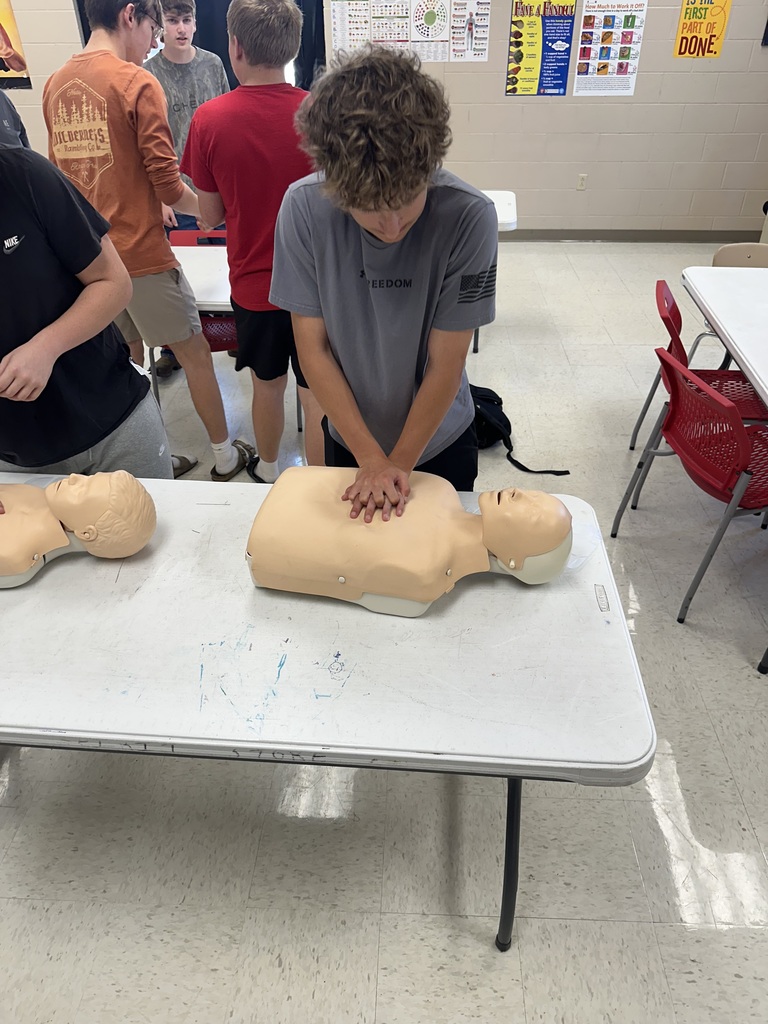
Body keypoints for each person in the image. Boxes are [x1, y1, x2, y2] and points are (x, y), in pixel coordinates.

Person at [270, 46, 498, 522]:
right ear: (334, 185)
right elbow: (314, 352)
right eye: (370, 210)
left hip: (439, 438)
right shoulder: (303, 209)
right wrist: (371, 458)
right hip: (349, 436)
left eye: (408, 201)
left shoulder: (469, 217)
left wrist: (396, 463)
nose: (392, 227)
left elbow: (447, 361)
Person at [42, 0, 253, 482]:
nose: (154, 41)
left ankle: (147, 458)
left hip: (86, 260)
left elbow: (63, 180)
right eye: (153, 29)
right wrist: (217, 209)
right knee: (194, 354)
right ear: (129, 15)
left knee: (127, 359)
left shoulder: (56, 83)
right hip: (139, 253)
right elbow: (169, 185)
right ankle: (224, 457)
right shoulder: (136, 81)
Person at [182, 0, 321, 482]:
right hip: (318, 289)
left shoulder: (209, 120)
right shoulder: (320, 115)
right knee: (317, 391)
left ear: (234, 47)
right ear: (293, 47)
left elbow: (211, 216)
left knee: (267, 385)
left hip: (254, 286)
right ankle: (321, 481)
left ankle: (267, 469)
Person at [0, 147, 174, 481]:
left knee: (153, 531)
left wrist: (45, 347)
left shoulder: (23, 176)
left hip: (110, 424)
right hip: (14, 459)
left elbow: (114, 283)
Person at [247, 467, 573, 616]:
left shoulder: (423, 574)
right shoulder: (440, 487)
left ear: (513, 560)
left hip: (277, 538)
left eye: (531, 513)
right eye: (534, 495)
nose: (519, 493)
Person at [145, 0, 229, 378]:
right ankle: (174, 347)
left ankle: (231, 333)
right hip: (172, 190)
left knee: (223, 265)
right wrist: (156, 196)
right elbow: (141, 144)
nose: (180, 27)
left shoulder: (212, 64)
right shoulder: (147, 75)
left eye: (187, 20)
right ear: (161, 25)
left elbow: (228, 121)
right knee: (180, 275)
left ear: (196, 23)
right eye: (172, 20)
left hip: (214, 185)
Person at [0, 471, 157, 586]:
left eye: (82, 491)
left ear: (86, 533)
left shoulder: (13, 553)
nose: (73, 476)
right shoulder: (30, 492)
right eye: (88, 477)